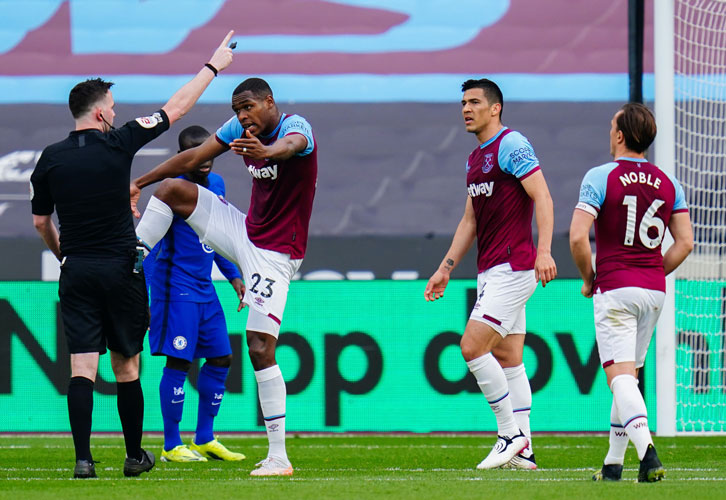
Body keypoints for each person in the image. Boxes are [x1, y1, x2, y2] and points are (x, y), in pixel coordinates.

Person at [29, 31, 235, 479]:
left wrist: (65, 255)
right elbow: (177, 108)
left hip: (78, 269)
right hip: (121, 268)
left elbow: (42, 223)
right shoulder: (119, 141)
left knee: (82, 366)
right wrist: (214, 65)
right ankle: (133, 455)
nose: (116, 114)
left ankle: (83, 460)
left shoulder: (50, 158)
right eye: (113, 108)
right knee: (127, 365)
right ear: (101, 112)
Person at [130, 77, 317, 477]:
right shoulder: (239, 131)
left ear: (269, 102)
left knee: (259, 347)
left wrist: (266, 150)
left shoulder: (295, 128)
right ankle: (132, 256)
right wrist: (139, 182)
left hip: (277, 257)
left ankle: (279, 457)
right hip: (245, 232)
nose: (242, 117)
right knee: (171, 190)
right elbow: (192, 157)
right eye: (237, 110)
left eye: (248, 107)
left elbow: (291, 148)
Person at [424, 78, 557, 470]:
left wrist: (545, 250)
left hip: (514, 266)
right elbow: (470, 220)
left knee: (471, 346)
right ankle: (525, 448)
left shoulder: (512, 145)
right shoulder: (474, 157)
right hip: (491, 268)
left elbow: (543, 196)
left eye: (475, 102)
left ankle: (509, 433)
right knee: (509, 356)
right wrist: (446, 268)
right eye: (463, 102)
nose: (466, 108)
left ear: (495, 108)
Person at [569, 102, 693, 482]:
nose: (610, 133)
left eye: (611, 127)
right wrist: (655, 269)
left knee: (619, 377)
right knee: (630, 376)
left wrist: (589, 277)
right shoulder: (670, 183)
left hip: (616, 287)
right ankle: (612, 464)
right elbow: (685, 242)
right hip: (654, 290)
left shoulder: (600, 177)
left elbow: (577, 236)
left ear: (620, 135)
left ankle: (648, 453)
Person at [144, 125, 247, 463]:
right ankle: (172, 444)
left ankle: (204, 438)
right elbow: (148, 244)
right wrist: (144, 295)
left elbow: (216, 234)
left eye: (208, 153)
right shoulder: (170, 190)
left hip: (204, 286)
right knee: (179, 361)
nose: (204, 161)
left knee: (221, 357)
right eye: (195, 153)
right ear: (183, 156)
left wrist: (233, 276)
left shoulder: (216, 185)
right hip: (174, 288)